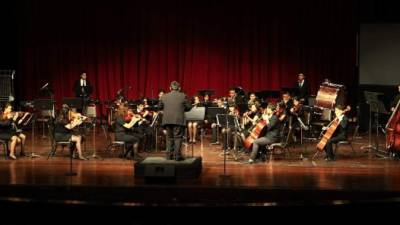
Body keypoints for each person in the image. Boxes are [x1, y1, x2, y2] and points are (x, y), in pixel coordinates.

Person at [158, 81, 192, 160]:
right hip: (178, 120)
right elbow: (189, 107)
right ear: (179, 88)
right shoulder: (183, 96)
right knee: (178, 137)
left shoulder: (164, 96)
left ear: (170, 88)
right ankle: (177, 156)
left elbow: (159, 106)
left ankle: (169, 156)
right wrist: (182, 109)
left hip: (167, 120)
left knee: (169, 138)